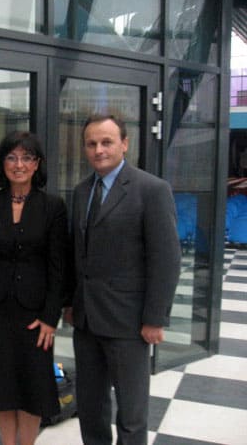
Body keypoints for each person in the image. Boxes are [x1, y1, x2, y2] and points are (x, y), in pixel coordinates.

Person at [65, 114, 181, 445]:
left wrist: (155, 318)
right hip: (87, 321)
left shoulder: (151, 189)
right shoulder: (81, 191)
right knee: (90, 408)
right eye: (91, 143)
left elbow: (166, 259)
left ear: (124, 144)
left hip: (129, 324)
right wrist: (71, 303)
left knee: (131, 415)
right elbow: (78, 254)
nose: (98, 150)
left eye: (106, 142)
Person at [0, 131, 68, 445]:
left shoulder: (53, 206)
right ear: (2, 163)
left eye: (26, 157)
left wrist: (52, 316)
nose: (18, 164)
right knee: (2, 384)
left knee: (32, 385)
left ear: (37, 165)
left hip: (35, 313)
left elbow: (58, 266)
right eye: (11, 157)